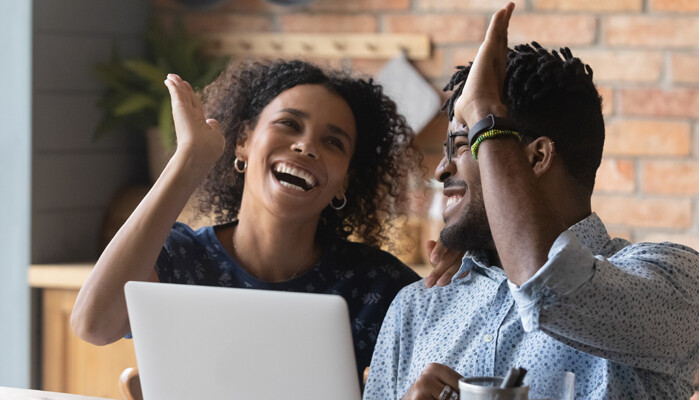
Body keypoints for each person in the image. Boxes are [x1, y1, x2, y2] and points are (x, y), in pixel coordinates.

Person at [363, 3, 699, 399]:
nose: (441, 169)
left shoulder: (673, 280)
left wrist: (485, 113)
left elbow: (547, 285)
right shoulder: (419, 306)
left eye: (461, 144)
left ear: (535, 157)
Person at [70, 58, 460, 382]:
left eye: (333, 142)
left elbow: (466, 362)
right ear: (242, 141)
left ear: (346, 182)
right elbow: (94, 324)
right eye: (289, 124)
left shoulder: (377, 284)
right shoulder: (178, 257)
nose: (306, 145)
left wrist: (464, 279)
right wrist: (189, 161)